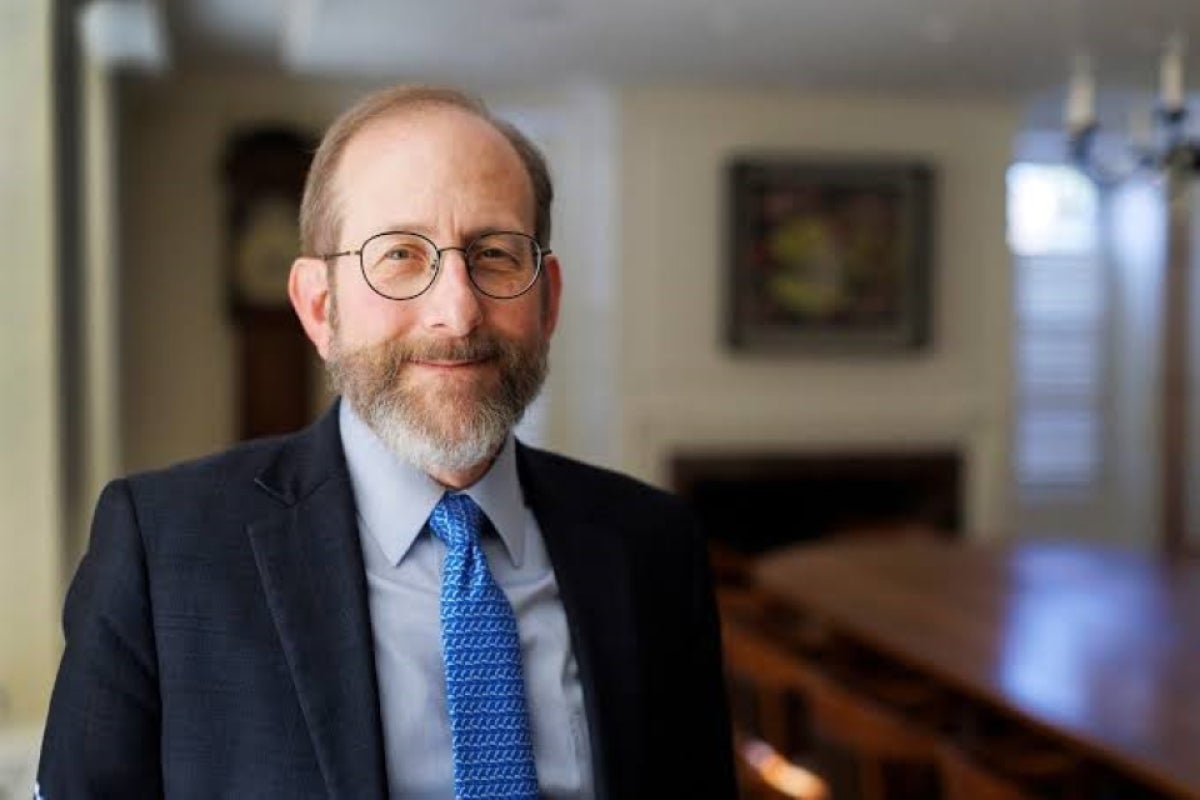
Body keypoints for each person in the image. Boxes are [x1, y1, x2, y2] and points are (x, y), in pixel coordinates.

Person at [35, 84, 736, 800]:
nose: (457, 311)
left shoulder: (652, 544)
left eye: (494, 255)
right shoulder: (164, 548)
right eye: (400, 254)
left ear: (548, 298)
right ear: (319, 305)